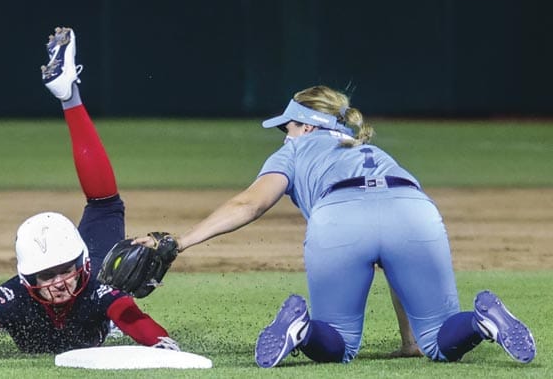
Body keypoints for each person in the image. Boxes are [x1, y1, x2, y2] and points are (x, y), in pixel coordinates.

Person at [135, 85, 536, 367]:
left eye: (288, 126)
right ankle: (482, 322)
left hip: (339, 217)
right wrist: (411, 342)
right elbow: (394, 257)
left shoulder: (293, 151)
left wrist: (181, 241)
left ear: (307, 126)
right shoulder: (370, 150)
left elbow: (250, 203)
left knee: (338, 344)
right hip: (413, 208)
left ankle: (303, 330)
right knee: (441, 339)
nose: (284, 134)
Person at [0, 27, 178, 361]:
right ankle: (69, 94)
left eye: (64, 269)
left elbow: (135, 319)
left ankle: (70, 96)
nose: (58, 282)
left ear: (82, 262)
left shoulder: (98, 287)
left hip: (96, 268)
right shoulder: (13, 297)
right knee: (104, 204)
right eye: (47, 274)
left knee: (106, 204)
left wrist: (161, 343)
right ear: (28, 279)